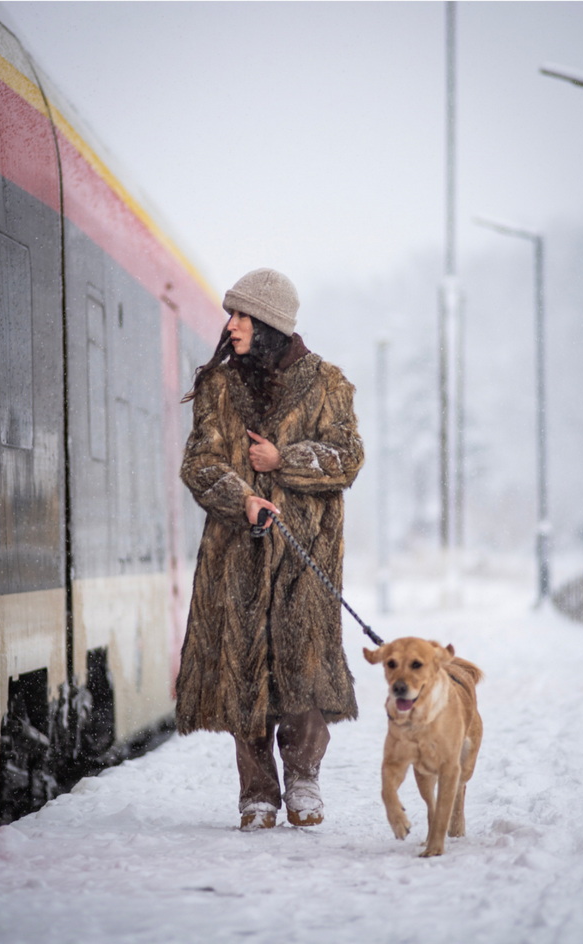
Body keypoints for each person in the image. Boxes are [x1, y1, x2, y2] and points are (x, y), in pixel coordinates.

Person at [175, 268, 364, 831]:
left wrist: (285, 461)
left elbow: (347, 456)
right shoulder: (218, 387)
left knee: (303, 668)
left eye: (242, 316)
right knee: (243, 670)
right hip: (236, 554)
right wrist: (243, 498)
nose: (231, 325)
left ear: (270, 326)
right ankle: (256, 791)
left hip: (306, 557)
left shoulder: (328, 384)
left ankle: (304, 774)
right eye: (231, 315)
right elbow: (199, 464)